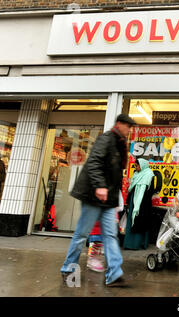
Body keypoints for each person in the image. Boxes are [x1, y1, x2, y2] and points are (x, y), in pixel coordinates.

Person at [60, 114, 136, 287]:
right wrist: (100, 186)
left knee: (110, 234)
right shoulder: (107, 139)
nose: (129, 130)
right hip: (93, 196)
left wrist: (114, 196)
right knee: (81, 235)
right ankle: (67, 268)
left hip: (108, 199)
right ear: (119, 124)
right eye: (128, 126)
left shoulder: (119, 143)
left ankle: (114, 274)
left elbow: (115, 173)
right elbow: (94, 162)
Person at [123, 158, 155, 250]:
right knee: (132, 222)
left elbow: (150, 190)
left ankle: (139, 244)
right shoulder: (136, 174)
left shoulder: (149, 174)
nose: (136, 168)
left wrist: (140, 201)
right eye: (135, 166)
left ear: (142, 165)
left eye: (137, 166)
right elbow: (131, 188)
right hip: (134, 202)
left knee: (141, 222)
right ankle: (129, 244)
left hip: (143, 204)